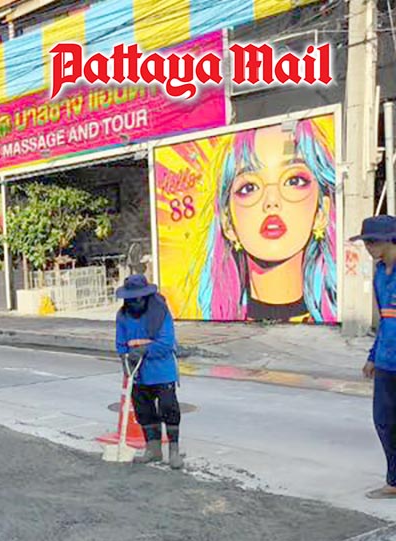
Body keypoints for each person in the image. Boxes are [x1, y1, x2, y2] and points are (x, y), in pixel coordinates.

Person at [182, 117, 337, 322]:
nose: (271, 201)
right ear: (228, 222)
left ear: (321, 212)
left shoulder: (332, 319)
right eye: (249, 187)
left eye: (294, 180)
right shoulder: (216, 323)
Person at [115, 274, 183, 469]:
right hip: (138, 373)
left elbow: (166, 344)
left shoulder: (160, 313)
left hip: (162, 371)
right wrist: (125, 361)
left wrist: (143, 350)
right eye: (129, 299)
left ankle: (174, 451)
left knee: (169, 408)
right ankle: (153, 450)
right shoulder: (122, 315)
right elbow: (121, 343)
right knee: (144, 411)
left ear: (144, 297)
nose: (133, 303)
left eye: (136, 298)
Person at [352, 216, 396, 499]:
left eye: (373, 241)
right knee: (384, 421)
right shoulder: (380, 273)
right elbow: (384, 320)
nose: (368, 247)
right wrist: (372, 356)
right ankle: (394, 481)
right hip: (385, 361)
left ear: (391, 239)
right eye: (366, 242)